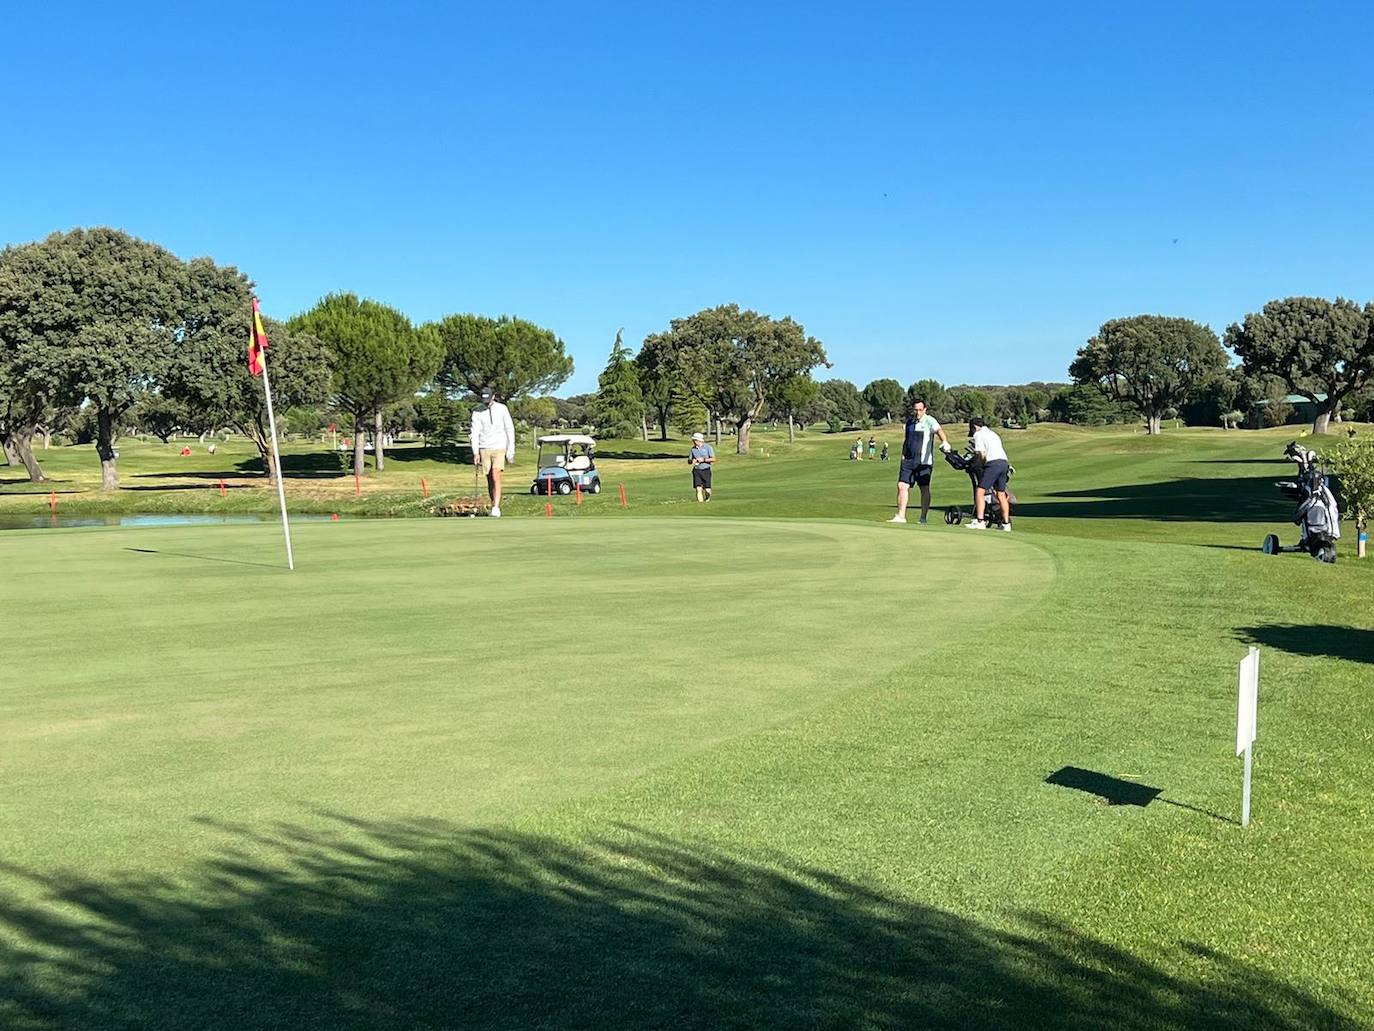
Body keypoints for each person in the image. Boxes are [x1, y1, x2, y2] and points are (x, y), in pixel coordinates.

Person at [888, 399, 950, 524]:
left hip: (924, 462)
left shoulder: (929, 420)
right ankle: (901, 516)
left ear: (925, 409)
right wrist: (903, 455)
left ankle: (923, 517)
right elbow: (907, 440)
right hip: (908, 460)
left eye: (920, 410)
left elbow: (939, 431)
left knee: (924, 488)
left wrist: (945, 441)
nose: (918, 412)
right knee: (902, 486)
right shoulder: (910, 422)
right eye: (915, 410)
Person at [470, 385, 516, 517]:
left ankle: (496, 507)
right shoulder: (477, 412)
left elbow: (509, 429)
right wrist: (475, 452)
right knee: (489, 478)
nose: (486, 403)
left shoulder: (502, 409)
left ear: (493, 397)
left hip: (499, 447)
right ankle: (493, 504)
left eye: (488, 399)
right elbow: (475, 433)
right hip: (484, 448)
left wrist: (510, 450)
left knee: (496, 474)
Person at [966, 417, 1011, 531]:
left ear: (975, 427)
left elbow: (982, 454)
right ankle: (1006, 524)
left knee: (980, 491)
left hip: (993, 464)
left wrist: (981, 465)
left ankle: (980, 521)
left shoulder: (978, 435)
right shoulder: (993, 434)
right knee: (1001, 494)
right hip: (1004, 463)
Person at [689, 431, 715, 501]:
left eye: (694, 440)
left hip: (706, 470)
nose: (693, 442)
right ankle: (700, 504)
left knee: (707, 490)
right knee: (698, 489)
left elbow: (713, 459)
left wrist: (703, 460)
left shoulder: (708, 447)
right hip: (697, 471)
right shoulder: (693, 449)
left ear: (698, 440)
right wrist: (692, 461)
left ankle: (707, 498)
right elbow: (689, 460)